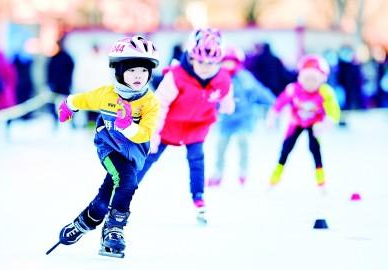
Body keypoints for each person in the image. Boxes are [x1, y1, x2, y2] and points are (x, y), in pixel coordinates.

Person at [54, 36, 160, 258]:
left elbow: (145, 134)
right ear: (119, 72)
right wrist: (67, 106)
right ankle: (114, 229)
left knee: (108, 194)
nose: (138, 76)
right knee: (127, 181)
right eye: (131, 71)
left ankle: (84, 222)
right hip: (109, 147)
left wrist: (128, 126)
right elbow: (81, 99)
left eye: (143, 70)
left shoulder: (150, 102)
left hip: (134, 152)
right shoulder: (107, 95)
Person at [136, 28, 235, 224]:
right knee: (148, 156)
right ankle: (125, 189)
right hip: (168, 126)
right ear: (190, 57)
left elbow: (226, 99)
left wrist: (227, 105)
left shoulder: (222, 79)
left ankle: (198, 197)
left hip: (197, 126)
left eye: (211, 63)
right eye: (200, 61)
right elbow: (159, 105)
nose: (205, 67)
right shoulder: (176, 77)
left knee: (197, 159)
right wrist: (152, 135)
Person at [266, 55, 340, 188]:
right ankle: (277, 172)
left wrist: (325, 124)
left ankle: (320, 176)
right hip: (296, 122)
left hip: (315, 123)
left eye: (314, 79)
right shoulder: (293, 89)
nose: (310, 83)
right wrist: (272, 116)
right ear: (301, 78)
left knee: (315, 148)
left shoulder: (325, 92)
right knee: (287, 147)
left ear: (322, 78)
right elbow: (279, 103)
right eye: (307, 79)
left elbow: (333, 111)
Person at [207, 46, 276, 187]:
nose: (228, 65)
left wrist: (275, 103)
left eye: (231, 62)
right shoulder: (217, 78)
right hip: (226, 120)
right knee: (220, 146)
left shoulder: (245, 77)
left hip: (244, 118)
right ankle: (217, 173)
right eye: (225, 61)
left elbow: (258, 91)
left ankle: (243, 172)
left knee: (243, 142)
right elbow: (209, 95)